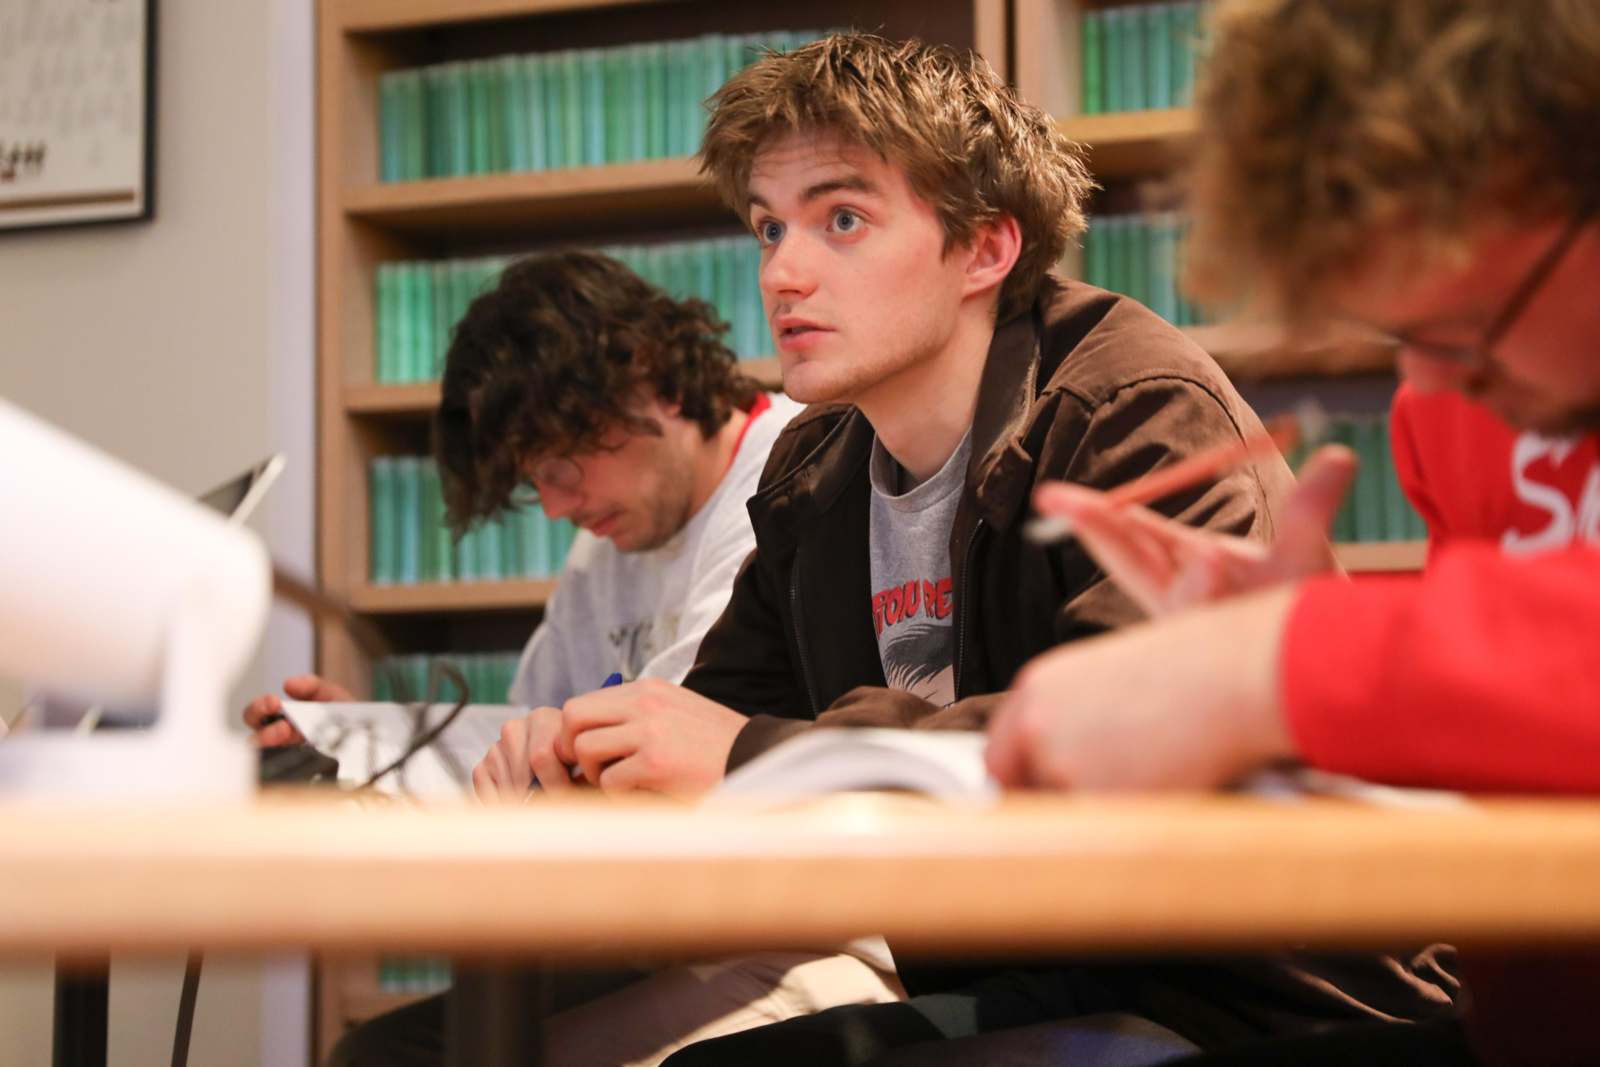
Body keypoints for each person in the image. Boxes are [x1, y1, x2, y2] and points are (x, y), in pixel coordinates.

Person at [477, 32, 1452, 1067]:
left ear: (985, 249)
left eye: (840, 220)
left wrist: (755, 759)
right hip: (1038, 971)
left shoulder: (1131, 409)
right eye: (769, 227)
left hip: (1256, 995)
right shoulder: (814, 470)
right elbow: (714, 721)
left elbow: (1140, 748)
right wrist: (590, 763)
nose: (782, 272)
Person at [985, 1, 1600, 1063]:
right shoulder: (1449, 414)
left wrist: (1281, 662)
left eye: (1472, 320)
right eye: (1402, 333)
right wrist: (1326, 720)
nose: (1429, 380)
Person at [247, 251, 901, 1067]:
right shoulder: (608, 550)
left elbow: (644, 767)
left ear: (655, 384)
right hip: (668, 922)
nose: (556, 506)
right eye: (536, 483)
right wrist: (376, 745)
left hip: (799, 922)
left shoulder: (782, 482)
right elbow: (519, 740)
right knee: (379, 1055)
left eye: (562, 466)